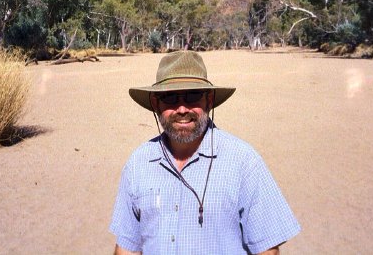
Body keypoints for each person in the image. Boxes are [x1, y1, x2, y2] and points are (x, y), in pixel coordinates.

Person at [110, 51, 301, 254]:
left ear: (209, 101)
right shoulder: (139, 162)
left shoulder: (244, 161)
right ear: (156, 104)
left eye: (193, 95)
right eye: (170, 97)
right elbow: (127, 246)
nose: (182, 109)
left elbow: (267, 249)